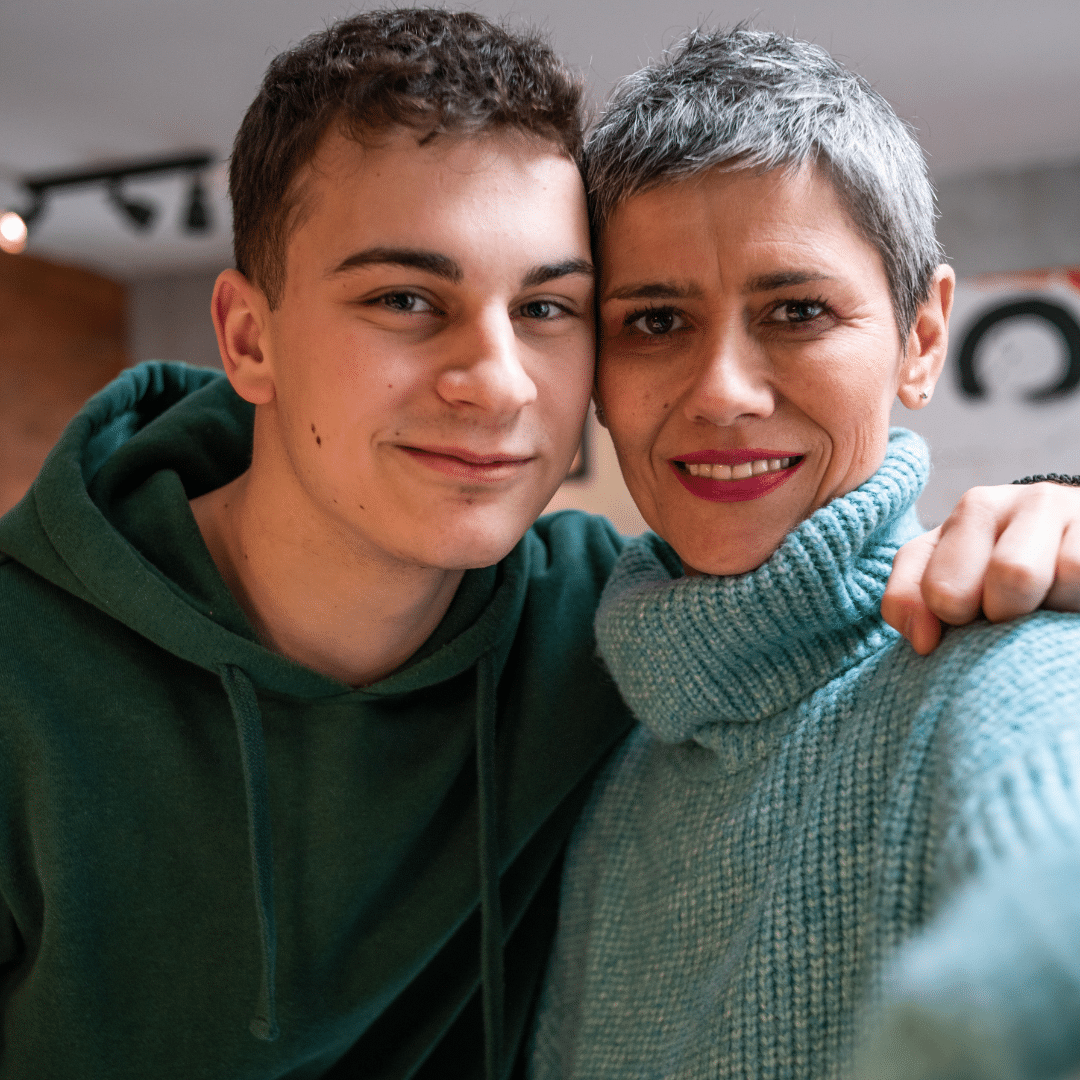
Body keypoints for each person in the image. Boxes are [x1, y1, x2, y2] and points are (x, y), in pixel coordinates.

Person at [0, 10, 1076, 1080]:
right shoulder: (25, 671)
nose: (500, 381)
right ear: (247, 336)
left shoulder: (616, 634)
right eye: (407, 298)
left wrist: (1052, 510)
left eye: (550, 307)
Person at [530, 27, 1080, 1080]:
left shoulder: (1008, 666)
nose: (723, 391)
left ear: (921, 340)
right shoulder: (617, 750)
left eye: (796, 311)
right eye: (652, 321)